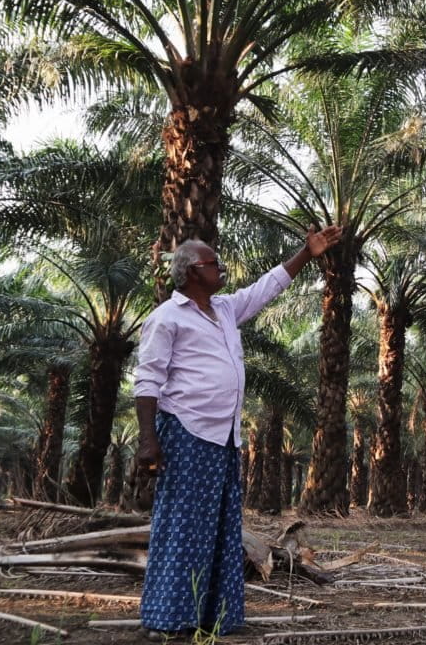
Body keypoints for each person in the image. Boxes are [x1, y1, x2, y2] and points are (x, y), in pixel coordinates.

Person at [134, 227, 341, 639]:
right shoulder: (167, 318)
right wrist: (147, 438)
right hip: (185, 432)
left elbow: (268, 287)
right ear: (192, 271)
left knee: (221, 530)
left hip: (223, 438)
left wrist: (307, 252)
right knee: (182, 527)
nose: (223, 270)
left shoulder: (225, 309)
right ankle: (167, 620)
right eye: (215, 264)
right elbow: (147, 380)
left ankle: (218, 617)